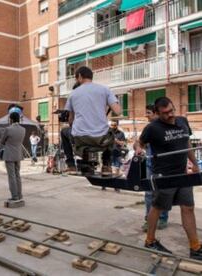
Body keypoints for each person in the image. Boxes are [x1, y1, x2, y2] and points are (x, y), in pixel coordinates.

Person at [137, 97, 202, 259]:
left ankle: (195, 247)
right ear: (158, 113)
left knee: (188, 207)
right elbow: (139, 144)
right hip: (164, 176)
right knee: (158, 207)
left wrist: (194, 163)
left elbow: (186, 144)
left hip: (182, 174)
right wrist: (139, 150)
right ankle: (150, 240)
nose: (171, 115)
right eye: (165, 113)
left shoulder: (182, 121)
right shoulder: (152, 128)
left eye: (172, 110)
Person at [64, 66, 121, 176]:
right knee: (111, 132)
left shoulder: (73, 94)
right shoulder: (104, 89)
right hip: (101, 139)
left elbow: (70, 120)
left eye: (76, 79)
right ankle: (106, 166)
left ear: (80, 76)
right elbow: (118, 111)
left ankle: (71, 166)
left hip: (80, 138)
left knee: (64, 132)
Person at [141, 104, 169, 232]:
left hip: (163, 166)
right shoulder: (148, 128)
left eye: (148, 113)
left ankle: (162, 218)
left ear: (156, 114)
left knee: (162, 193)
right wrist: (138, 148)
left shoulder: (165, 127)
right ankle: (149, 220)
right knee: (148, 194)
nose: (146, 115)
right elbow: (140, 142)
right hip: (149, 165)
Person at [0, 112, 26, 202]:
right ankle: (19, 194)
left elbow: (2, 142)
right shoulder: (23, 129)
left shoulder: (8, 129)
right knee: (17, 175)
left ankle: (14, 196)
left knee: (12, 176)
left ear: (11, 119)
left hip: (9, 155)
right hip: (18, 154)